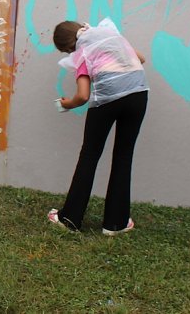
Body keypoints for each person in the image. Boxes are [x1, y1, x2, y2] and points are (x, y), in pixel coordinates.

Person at [47, 18, 149, 235]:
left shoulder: (82, 51)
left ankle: (70, 219)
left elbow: (83, 96)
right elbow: (141, 58)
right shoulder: (108, 35)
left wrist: (67, 104)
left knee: (90, 155)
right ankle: (116, 223)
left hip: (108, 100)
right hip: (138, 94)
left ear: (67, 47)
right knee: (123, 155)